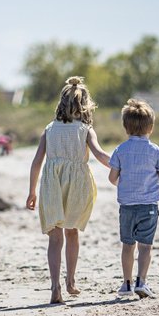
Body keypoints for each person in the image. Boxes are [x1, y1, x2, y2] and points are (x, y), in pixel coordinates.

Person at [25, 77, 112, 304]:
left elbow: (36, 162)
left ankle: (55, 287)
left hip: (52, 183)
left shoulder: (49, 129)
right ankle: (70, 281)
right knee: (71, 232)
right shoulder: (85, 130)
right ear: (85, 106)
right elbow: (101, 155)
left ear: (61, 104)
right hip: (77, 185)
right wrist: (122, 165)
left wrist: (32, 191)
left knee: (55, 237)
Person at [108, 98, 159, 299]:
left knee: (128, 245)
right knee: (145, 246)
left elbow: (112, 178)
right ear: (151, 127)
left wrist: (126, 187)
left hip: (127, 207)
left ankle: (126, 284)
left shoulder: (120, 150)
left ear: (125, 127)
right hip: (148, 207)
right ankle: (141, 282)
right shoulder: (155, 151)